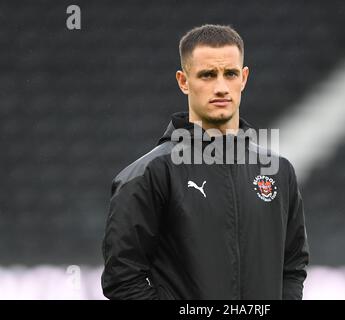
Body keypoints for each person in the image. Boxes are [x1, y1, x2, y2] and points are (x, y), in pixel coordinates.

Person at [101, 24, 309, 300]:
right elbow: (123, 279)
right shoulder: (148, 175)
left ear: (244, 78)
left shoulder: (280, 171)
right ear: (183, 81)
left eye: (230, 74)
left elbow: (292, 267)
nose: (221, 87)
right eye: (208, 75)